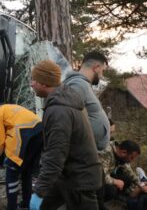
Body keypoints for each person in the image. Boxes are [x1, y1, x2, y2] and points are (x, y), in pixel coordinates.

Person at [29, 60, 102, 210]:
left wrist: (39, 191)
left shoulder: (59, 111)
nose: (31, 84)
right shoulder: (64, 101)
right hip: (67, 175)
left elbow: (55, 155)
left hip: (80, 180)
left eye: (34, 80)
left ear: (44, 83)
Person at [0, 104, 43, 209]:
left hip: (24, 132)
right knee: (26, 172)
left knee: (12, 173)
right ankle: (27, 204)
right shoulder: (4, 108)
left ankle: (11, 207)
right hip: (39, 131)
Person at [64, 51, 110, 151]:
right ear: (96, 67)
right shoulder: (78, 84)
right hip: (81, 153)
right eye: (103, 70)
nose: (102, 75)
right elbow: (68, 117)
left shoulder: (83, 84)